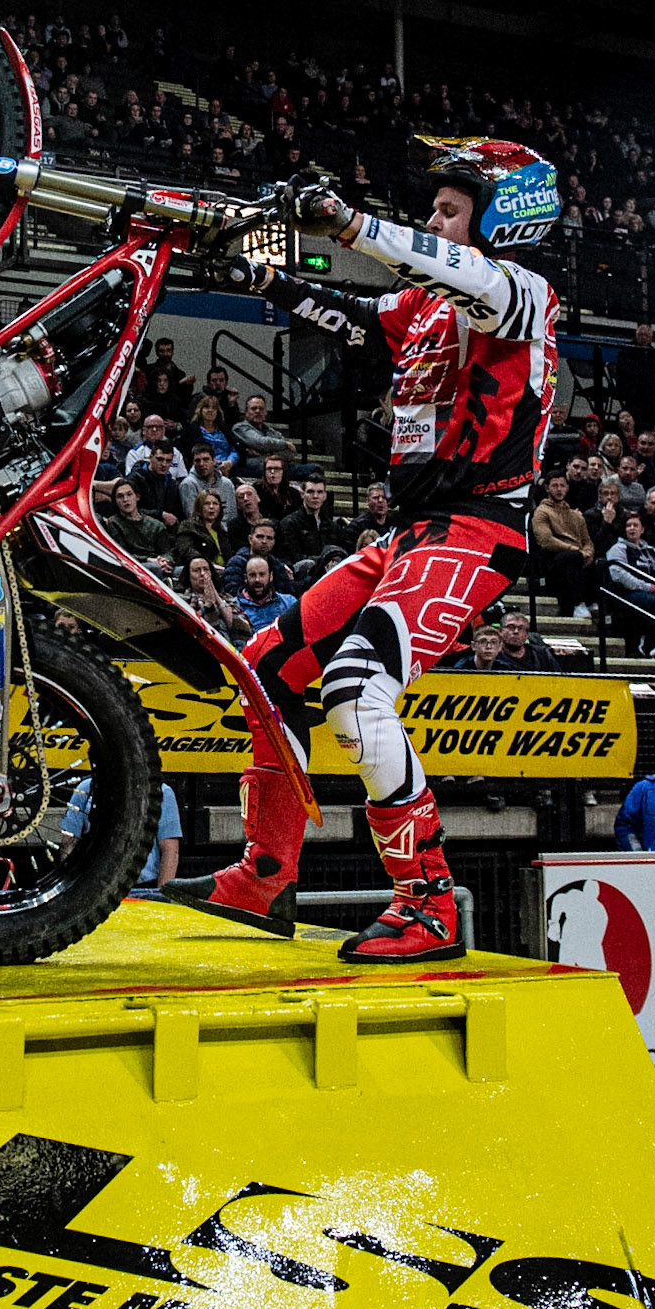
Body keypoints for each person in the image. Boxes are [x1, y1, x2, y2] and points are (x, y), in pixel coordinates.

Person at [166, 137, 562, 962]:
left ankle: (426, 905)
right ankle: (263, 871)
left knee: (354, 691)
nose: (432, 221)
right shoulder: (420, 309)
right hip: (405, 533)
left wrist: (349, 224)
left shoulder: (522, 293)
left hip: (476, 528)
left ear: (501, 221)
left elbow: (462, 278)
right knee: (267, 666)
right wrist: (258, 278)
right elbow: (352, 321)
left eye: (450, 210)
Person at [61, 776, 184, 893]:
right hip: (95, 889)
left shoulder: (161, 793)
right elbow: (68, 844)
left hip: (141, 888)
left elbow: (170, 852)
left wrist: (161, 898)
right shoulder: (85, 789)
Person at [607, 511, 655, 659]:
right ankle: (647, 644)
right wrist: (648, 587)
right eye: (628, 525)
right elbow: (619, 575)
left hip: (653, 592)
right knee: (653, 604)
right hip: (627, 593)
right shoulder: (618, 549)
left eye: (635, 525)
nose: (632, 528)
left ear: (642, 529)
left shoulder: (651, 550)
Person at [531, 471, 596, 619]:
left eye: (562, 485)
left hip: (577, 556)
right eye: (555, 486)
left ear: (567, 488)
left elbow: (587, 541)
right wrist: (576, 550)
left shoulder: (575, 515)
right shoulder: (542, 512)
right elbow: (545, 540)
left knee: (599, 562)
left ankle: (592, 602)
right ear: (547, 488)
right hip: (554, 560)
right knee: (572, 557)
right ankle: (578, 603)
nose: (559, 489)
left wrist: (588, 552)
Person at [105, 479, 173, 573]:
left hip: (158, 563)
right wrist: (148, 559)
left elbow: (167, 551)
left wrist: (165, 560)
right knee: (154, 568)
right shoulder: (113, 523)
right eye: (120, 496)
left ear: (137, 497)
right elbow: (121, 553)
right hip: (133, 566)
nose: (125, 499)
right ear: (116, 501)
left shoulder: (156, 525)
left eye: (129, 494)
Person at [276, 476, 344, 567]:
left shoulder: (332, 526)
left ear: (325, 496)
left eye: (319, 492)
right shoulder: (289, 523)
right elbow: (294, 557)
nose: (315, 496)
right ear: (302, 494)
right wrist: (325, 560)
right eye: (310, 492)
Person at [184, 552, 251, 640]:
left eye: (206, 569)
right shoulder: (182, 599)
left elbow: (243, 627)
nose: (202, 574)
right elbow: (188, 624)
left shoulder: (226, 597)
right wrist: (208, 606)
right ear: (188, 575)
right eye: (196, 570)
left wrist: (217, 599)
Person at [222, 520, 295, 599]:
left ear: (274, 542)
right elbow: (233, 594)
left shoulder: (277, 565)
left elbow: (287, 593)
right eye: (260, 537)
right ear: (250, 539)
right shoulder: (236, 563)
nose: (264, 541)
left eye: (269, 538)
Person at [172, 490, 230, 573]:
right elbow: (187, 551)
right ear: (199, 507)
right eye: (207, 503)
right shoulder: (188, 526)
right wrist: (207, 565)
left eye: (215, 504)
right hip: (199, 570)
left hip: (223, 570)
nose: (211, 507)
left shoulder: (222, 531)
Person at [235, 555, 297, 633]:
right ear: (245, 578)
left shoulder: (288, 602)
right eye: (252, 575)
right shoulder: (235, 607)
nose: (257, 580)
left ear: (270, 576)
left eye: (262, 574)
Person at [232, 394, 290, 476]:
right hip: (252, 468)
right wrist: (285, 444)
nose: (258, 411)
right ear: (246, 412)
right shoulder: (240, 428)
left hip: (277, 468)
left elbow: (290, 452)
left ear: (266, 412)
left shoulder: (272, 432)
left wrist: (267, 456)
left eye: (261, 409)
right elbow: (259, 442)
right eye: (253, 408)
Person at [130, 441, 184, 529]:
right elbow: (129, 509)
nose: (164, 464)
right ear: (151, 457)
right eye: (160, 459)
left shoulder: (171, 484)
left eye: (168, 461)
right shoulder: (135, 479)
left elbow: (177, 513)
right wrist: (160, 515)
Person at [179, 444, 237, 523]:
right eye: (197, 460)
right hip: (201, 531)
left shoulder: (227, 483)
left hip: (227, 531)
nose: (201, 464)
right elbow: (193, 516)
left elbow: (232, 514)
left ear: (214, 461)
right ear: (193, 463)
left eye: (206, 459)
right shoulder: (188, 484)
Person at [126, 414, 189, 482]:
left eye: (158, 427)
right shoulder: (135, 453)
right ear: (144, 430)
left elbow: (182, 478)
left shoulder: (175, 452)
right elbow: (131, 480)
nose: (154, 430)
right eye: (150, 427)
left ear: (164, 431)